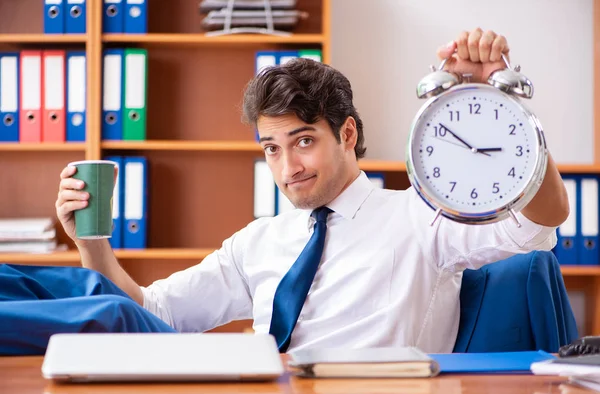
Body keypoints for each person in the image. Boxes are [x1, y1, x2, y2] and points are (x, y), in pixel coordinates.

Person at [55, 28, 570, 354]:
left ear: (346, 134)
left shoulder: (421, 217)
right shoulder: (256, 243)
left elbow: (541, 219)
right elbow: (150, 313)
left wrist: (497, 97)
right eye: (271, 148)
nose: (287, 168)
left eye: (303, 142)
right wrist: (90, 244)